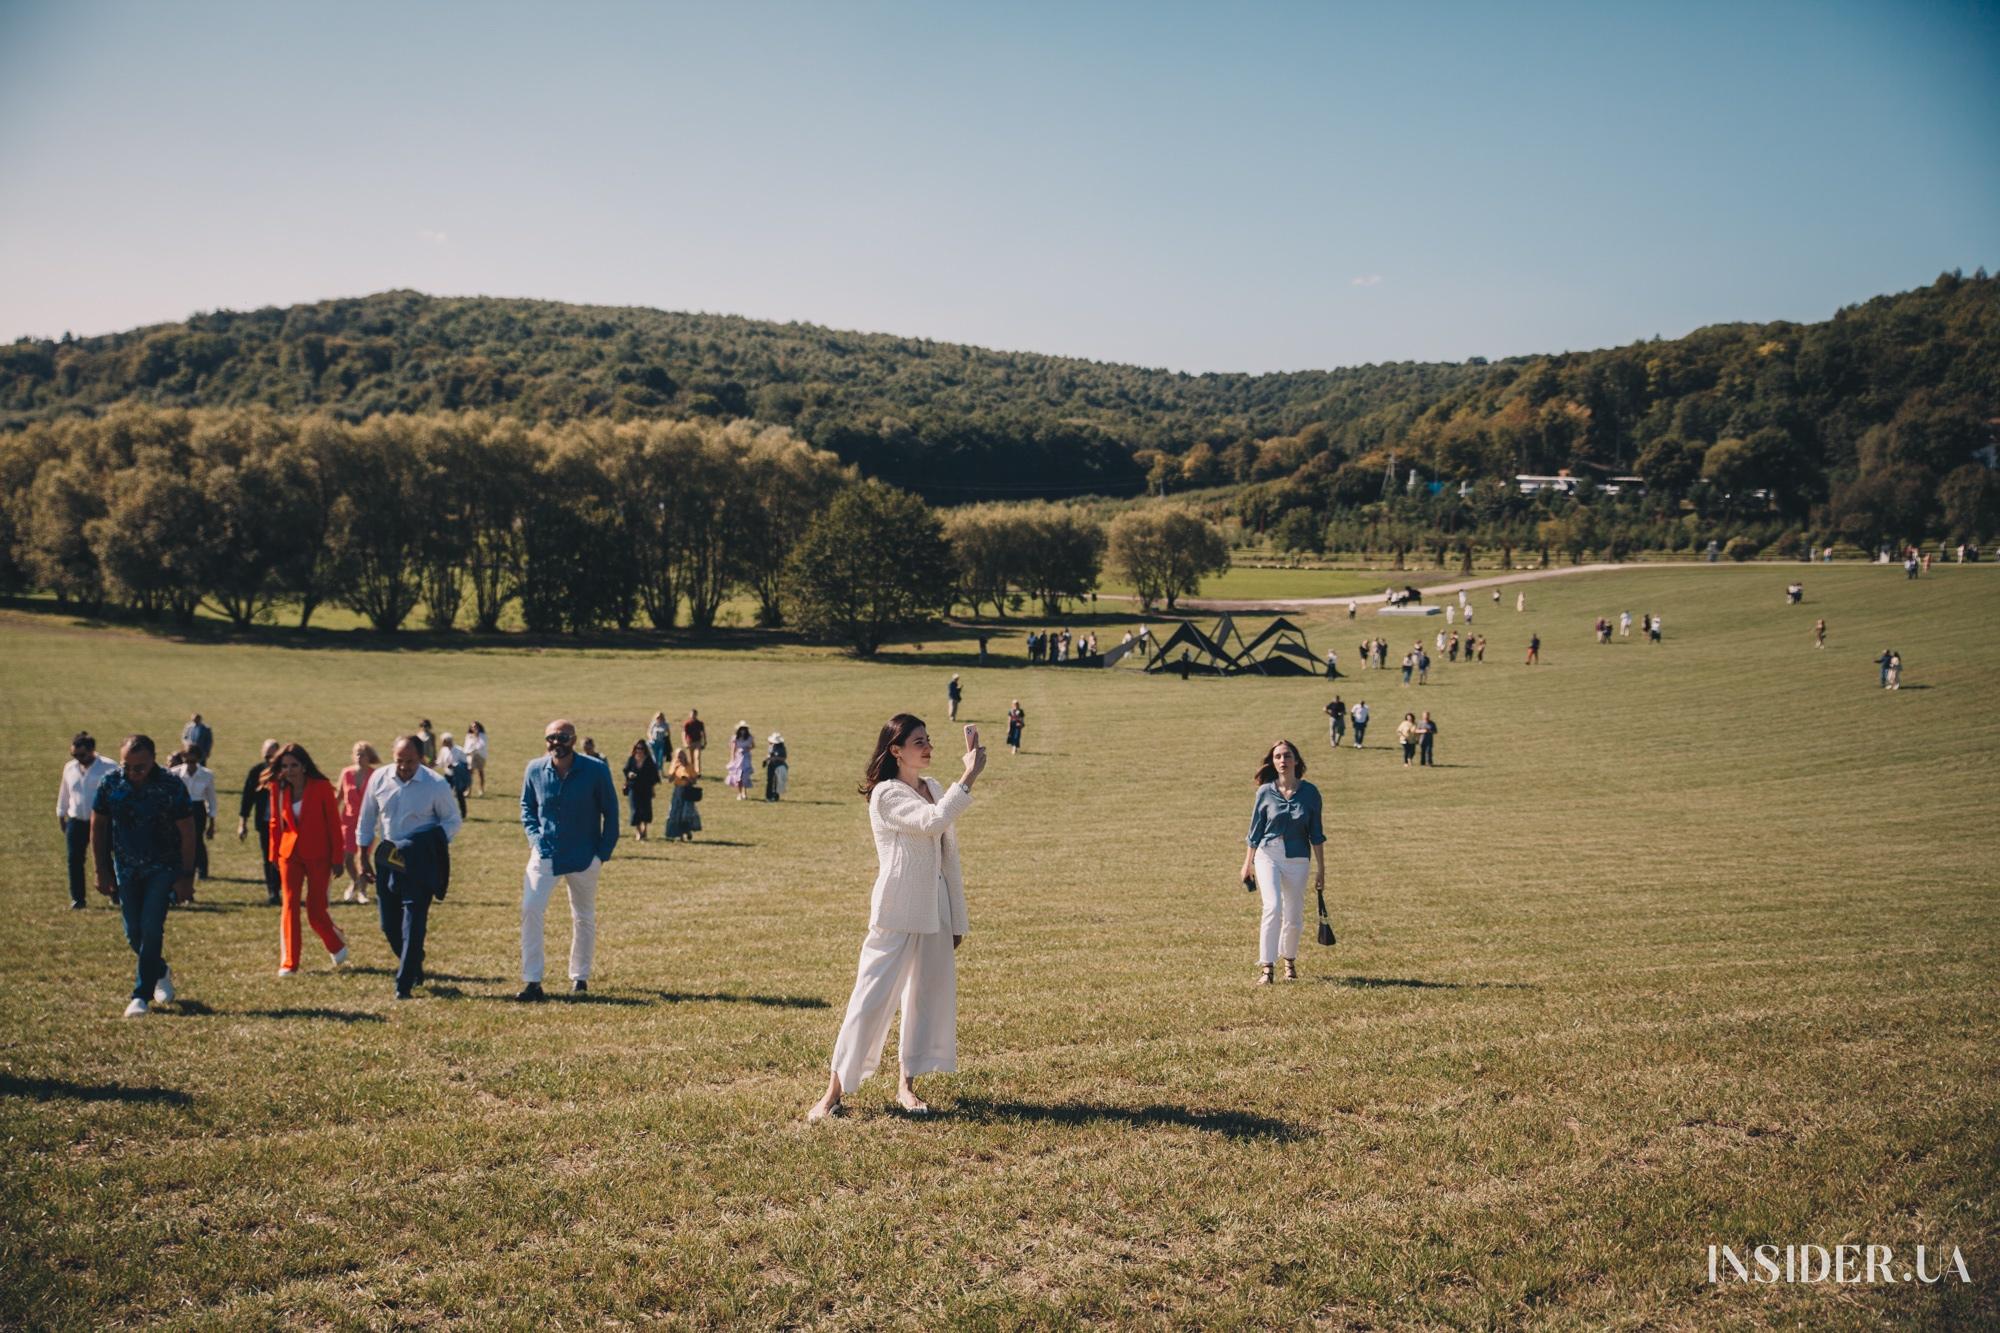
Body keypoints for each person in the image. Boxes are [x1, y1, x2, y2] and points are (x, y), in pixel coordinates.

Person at [807, 714, 986, 1121]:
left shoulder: (935, 787)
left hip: (935, 908)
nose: (927, 747)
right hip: (896, 908)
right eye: (918, 741)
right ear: (896, 750)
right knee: (869, 999)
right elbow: (931, 822)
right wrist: (969, 776)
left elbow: (949, 858)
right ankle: (833, 1092)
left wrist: (957, 919)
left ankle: (907, 1086)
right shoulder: (886, 795)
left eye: (929, 740)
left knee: (925, 997)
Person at [517, 718, 621, 1001]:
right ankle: (533, 981)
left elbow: (611, 811)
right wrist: (535, 839)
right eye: (551, 738)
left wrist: (602, 854)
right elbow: (527, 807)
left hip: (584, 856)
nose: (556, 743)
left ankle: (580, 978)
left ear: (573, 741)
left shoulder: (595, 770)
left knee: (583, 916)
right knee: (531, 909)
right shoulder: (535, 769)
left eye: (562, 738)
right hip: (545, 853)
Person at [92, 735, 196, 1017]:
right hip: (125, 869)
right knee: (133, 933)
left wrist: (186, 877)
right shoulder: (111, 783)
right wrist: (101, 869)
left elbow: (188, 831)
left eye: (140, 767)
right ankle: (159, 969)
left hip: (163, 868)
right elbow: (99, 825)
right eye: (128, 766)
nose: (133, 773)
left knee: (151, 928)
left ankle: (141, 995)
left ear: (152, 761)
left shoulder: (170, 785)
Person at [351, 736, 461, 1000]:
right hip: (388, 859)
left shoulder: (435, 785)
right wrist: (362, 855)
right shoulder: (379, 778)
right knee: (389, 926)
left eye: (410, 762)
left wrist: (427, 845)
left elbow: (452, 821)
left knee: (413, 922)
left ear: (422, 759)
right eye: (399, 761)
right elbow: (366, 819)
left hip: (420, 862)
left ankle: (404, 983)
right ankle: (414, 960)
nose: (403, 767)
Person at [1236, 739, 1326, 986]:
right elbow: (1255, 831)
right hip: (1268, 854)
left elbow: (1316, 834)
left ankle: (1289, 960)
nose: (1282, 761)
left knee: (1294, 915)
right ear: (1272, 762)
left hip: (1298, 858)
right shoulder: (1265, 791)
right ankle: (1267, 967)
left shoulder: (1310, 793)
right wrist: (1247, 863)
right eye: (1277, 757)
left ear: (1296, 760)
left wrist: (1321, 869)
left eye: (1287, 756)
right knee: (1273, 907)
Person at [265, 743, 349, 976]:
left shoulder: (321, 787)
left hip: (319, 855)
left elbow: (334, 823)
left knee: (316, 911)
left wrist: (338, 857)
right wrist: (274, 853)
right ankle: (289, 962)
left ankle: (336, 942)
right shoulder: (277, 788)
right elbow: (274, 822)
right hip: (289, 855)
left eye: (294, 765)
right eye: (285, 766)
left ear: (304, 766)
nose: (289, 770)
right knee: (289, 906)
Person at [56, 732, 119, 910]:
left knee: (107, 857)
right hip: (77, 820)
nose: (78, 759)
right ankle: (78, 898)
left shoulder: (109, 767)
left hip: (102, 822)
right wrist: (61, 815)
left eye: (81, 755)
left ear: (92, 750)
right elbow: (65, 792)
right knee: (74, 860)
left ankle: (116, 893)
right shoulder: (70, 768)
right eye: (74, 755)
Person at [237, 738, 282, 905]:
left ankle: (282, 886)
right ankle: (273, 891)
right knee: (268, 857)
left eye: (273, 756)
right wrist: (243, 823)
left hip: (285, 824)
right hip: (265, 823)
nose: (270, 760)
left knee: (284, 857)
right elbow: (247, 798)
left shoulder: (286, 771)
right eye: (267, 756)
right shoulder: (257, 772)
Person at [337, 742, 379, 904]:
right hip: (348, 821)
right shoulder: (346, 773)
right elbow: (339, 797)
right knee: (347, 858)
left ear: (370, 757)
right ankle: (355, 881)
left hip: (368, 821)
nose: (360, 757)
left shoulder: (375, 775)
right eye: (357, 754)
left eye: (363, 754)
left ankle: (362, 891)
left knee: (363, 857)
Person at [168, 748, 217, 882]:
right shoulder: (175, 773)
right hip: (180, 808)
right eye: (187, 761)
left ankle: (202, 870)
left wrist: (212, 821)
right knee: (179, 839)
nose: (190, 764)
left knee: (197, 840)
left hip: (197, 808)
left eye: (193, 761)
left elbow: (211, 799)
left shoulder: (207, 775)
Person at [622, 740, 660, 840]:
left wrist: (653, 789)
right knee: (635, 810)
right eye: (637, 748)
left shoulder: (649, 760)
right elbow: (626, 770)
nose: (639, 750)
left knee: (646, 810)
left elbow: (654, 776)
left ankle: (645, 830)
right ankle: (638, 832)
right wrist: (629, 774)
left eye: (641, 748)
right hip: (633, 788)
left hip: (646, 788)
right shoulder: (631, 759)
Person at [664, 747, 702, 841]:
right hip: (678, 791)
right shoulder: (674, 765)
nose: (680, 758)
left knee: (686, 813)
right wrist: (674, 770)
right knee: (676, 812)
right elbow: (670, 780)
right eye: (678, 756)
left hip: (687, 791)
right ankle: (679, 834)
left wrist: (687, 779)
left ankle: (687, 831)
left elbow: (694, 780)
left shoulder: (689, 766)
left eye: (682, 755)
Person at [437, 732, 471, 819]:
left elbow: (465, 763)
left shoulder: (459, 750)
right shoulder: (443, 750)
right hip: (448, 775)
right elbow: (440, 762)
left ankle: (463, 814)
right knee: (444, 793)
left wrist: (455, 765)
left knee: (459, 795)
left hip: (457, 776)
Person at [726, 722, 755, 800]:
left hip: (746, 758)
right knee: (738, 777)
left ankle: (744, 793)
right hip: (738, 759)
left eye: (744, 729)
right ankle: (739, 793)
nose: (743, 731)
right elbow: (733, 749)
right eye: (741, 729)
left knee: (745, 776)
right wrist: (732, 759)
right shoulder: (735, 738)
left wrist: (746, 749)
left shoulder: (749, 737)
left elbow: (753, 746)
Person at [465, 722, 488, 797]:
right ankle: (468, 790)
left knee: (480, 772)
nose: (474, 728)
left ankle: (481, 789)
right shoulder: (468, 736)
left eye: (476, 727)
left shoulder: (483, 736)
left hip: (481, 756)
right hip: (471, 757)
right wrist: (468, 752)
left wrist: (473, 749)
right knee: (470, 773)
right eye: (473, 727)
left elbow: (482, 745)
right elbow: (466, 747)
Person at [763, 732, 789, 801]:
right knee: (769, 780)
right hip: (771, 765)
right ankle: (768, 796)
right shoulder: (770, 746)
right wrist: (766, 760)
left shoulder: (782, 748)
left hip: (779, 766)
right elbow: (769, 754)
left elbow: (783, 758)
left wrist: (775, 758)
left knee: (776, 781)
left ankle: (775, 796)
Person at [682, 710, 707, 777]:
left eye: (694, 714)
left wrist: (704, 741)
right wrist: (684, 742)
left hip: (697, 742)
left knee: (697, 757)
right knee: (691, 759)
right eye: (692, 714)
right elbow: (684, 733)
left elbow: (703, 733)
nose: (693, 716)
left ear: (696, 715)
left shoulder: (700, 723)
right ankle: (691, 772)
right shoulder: (687, 723)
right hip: (690, 742)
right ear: (689, 715)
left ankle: (698, 772)